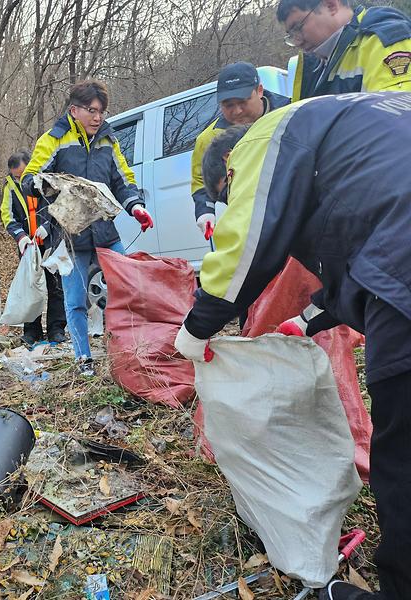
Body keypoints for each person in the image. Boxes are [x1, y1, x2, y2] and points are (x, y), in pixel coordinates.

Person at [173, 91, 411, 600]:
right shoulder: (354, 122)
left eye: (226, 194)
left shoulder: (266, 139)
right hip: (396, 246)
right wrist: (308, 320)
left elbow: (248, 242)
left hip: (404, 262)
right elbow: (352, 245)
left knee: (403, 447)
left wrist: (198, 326)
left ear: (230, 171)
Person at [21, 79, 153, 376]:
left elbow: (123, 179)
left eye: (102, 112)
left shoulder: (109, 140)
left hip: (106, 231)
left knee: (127, 289)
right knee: (76, 300)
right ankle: (84, 360)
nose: (97, 117)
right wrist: (48, 184)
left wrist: (136, 207)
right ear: (74, 110)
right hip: (69, 234)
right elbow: (29, 179)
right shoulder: (54, 139)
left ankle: (127, 353)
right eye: (92, 111)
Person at [191, 62, 289, 237]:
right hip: (249, 221)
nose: (237, 111)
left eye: (243, 102)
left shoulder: (290, 113)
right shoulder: (210, 138)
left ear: (259, 90)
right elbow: (201, 180)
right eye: (228, 105)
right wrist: (205, 211)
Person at [277, 0, 411, 101]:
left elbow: (397, 117)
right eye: (291, 36)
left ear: (331, 6)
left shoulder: (384, 40)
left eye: (298, 28)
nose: (297, 41)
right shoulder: (314, 65)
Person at [1, 150, 67, 345]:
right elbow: (7, 215)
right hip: (28, 246)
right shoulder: (10, 187)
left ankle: (56, 329)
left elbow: (60, 206)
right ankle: (32, 331)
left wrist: (48, 226)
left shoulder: (47, 178)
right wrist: (20, 236)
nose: (20, 179)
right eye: (16, 176)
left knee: (55, 287)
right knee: (30, 288)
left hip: (50, 241)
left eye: (22, 174)